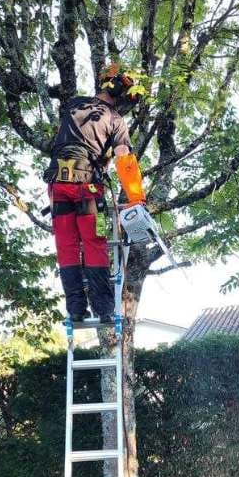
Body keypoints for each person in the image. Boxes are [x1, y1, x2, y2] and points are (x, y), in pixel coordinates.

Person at [44, 64, 147, 323]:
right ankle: (103, 309)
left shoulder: (73, 104)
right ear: (123, 92)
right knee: (95, 244)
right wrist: (136, 198)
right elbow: (123, 156)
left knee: (66, 248)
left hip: (57, 185)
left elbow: (67, 139)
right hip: (87, 186)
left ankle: (76, 309)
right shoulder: (115, 119)